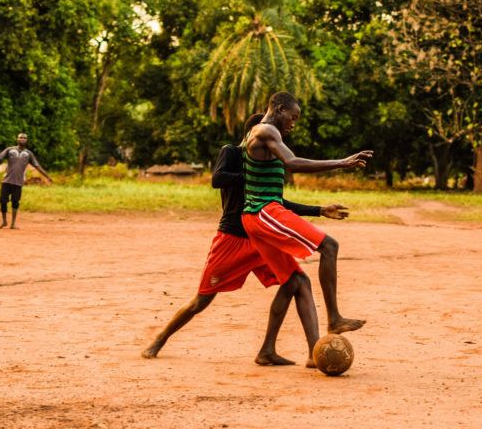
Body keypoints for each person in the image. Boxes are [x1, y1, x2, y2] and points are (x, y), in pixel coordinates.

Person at [143, 114, 350, 366]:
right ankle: (160, 339)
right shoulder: (232, 152)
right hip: (232, 237)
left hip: (260, 234)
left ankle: (296, 353)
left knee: (297, 282)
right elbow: (217, 179)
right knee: (202, 299)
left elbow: (276, 202)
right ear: (254, 135)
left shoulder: (264, 163)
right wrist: (248, 175)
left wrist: (318, 209)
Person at [242, 92, 372, 335]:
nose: (294, 123)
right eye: (293, 117)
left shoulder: (262, 133)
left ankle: (268, 350)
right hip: (263, 212)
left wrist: (318, 210)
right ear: (280, 109)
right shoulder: (267, 131)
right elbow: (292, 162)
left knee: (294, 281)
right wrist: (342, 163)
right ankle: (334, 318)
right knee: (330, 246)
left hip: (258, 215)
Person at [0, 133, 52, 229]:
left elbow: (37, 166)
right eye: (20, 137)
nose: (22, 139)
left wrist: (47, 176)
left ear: (26, 140)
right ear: (17, 139)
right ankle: (4, 222)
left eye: (24, 138)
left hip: (18, 182)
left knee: (15, 202)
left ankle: (13, 224)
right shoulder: (10, 150)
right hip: (6, 181)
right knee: (3, 201)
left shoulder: (29, 154)